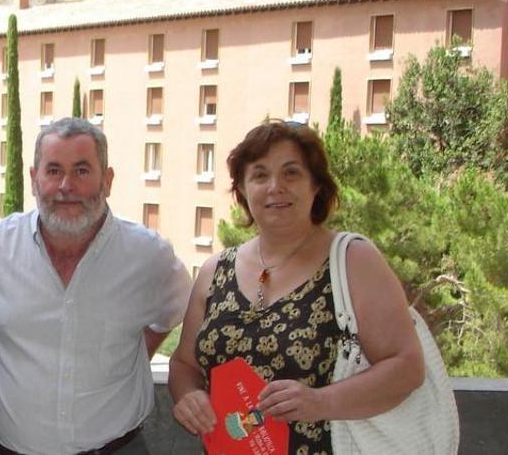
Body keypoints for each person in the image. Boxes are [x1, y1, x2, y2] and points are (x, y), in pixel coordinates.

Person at [167, 120, 424, 452]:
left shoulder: (351, 260)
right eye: (260, 175)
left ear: (316, 185)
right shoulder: (215, 271)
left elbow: (407, 367)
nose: (276, 186)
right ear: (243, 190)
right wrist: (189, 396)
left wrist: (320, 402)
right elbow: (184, 364)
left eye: (291, 173)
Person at [0, 117, 192, 455]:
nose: (66, 186)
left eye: (82, 171)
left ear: (108, 179)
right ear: (34, 178)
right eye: (54, 170)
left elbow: (178, 312)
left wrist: (135, 354)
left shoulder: (148, 257)